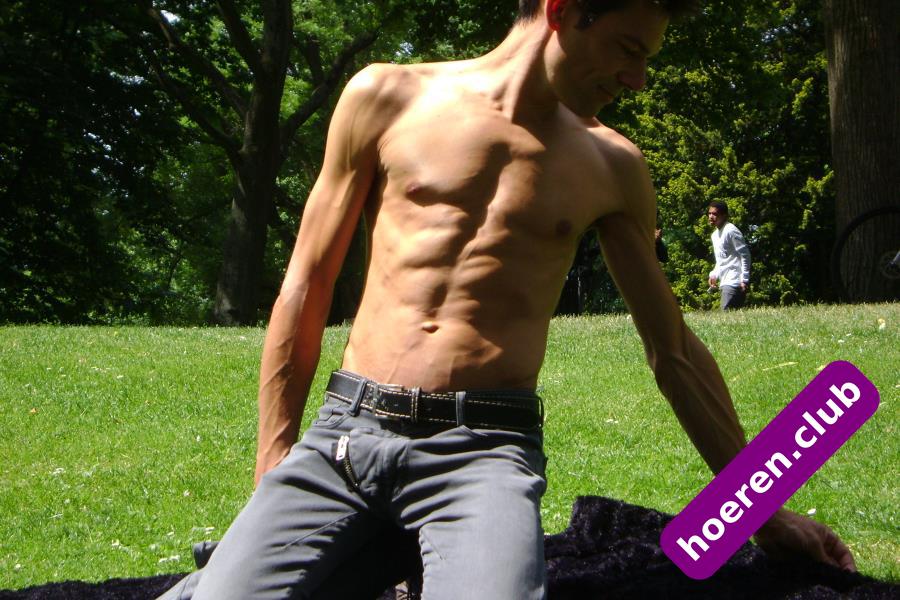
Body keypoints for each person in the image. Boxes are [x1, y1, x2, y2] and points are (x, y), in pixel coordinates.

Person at [159, 1, 855, 598]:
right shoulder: (386, 96)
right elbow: (305, 287)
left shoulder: (612, 165)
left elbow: (673, 352)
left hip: (482, 453)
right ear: (561, 11)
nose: (637, 79)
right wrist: (273, 468)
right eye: (627, 49)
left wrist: (764, 511)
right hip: (345, 437)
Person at [707, 200, 751, 310]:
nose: (711, 216)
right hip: (724, 281)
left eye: (715, 214)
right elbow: (721, 260)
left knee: (726, 313)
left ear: (724, 216)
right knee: (730, 317)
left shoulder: (731, 231)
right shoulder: (714, 235)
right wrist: (714, 275)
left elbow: (745, 255)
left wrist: (744, 279)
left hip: (734, 281)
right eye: (709, 213)